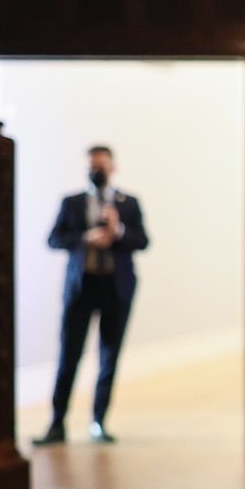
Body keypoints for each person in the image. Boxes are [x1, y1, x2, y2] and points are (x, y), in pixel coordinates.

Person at [38, 145, 148, 446]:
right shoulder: (72, 202)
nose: (96, 170)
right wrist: (85, 238)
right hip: (82, 287)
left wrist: (118, 231)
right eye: (92, 165)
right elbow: (53, 238)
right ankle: (57, 423)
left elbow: (142, 240)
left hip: (116, 287)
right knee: (68, 355)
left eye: (101, 165)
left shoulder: (128, 203)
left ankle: (99, 421)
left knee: (109, 357)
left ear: (113, 166)